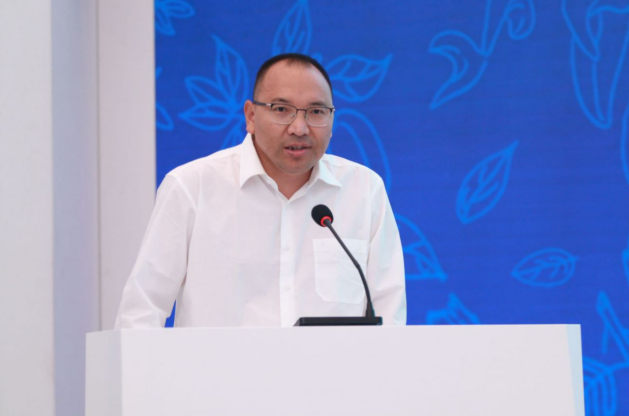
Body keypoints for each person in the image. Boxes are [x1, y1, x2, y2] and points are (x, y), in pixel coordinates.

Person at [115, 53, 406, 328]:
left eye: (316, 112)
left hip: (332, 368)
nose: (300, 128)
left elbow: (389, 316)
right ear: (251, 116)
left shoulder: (364, 191)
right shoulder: (192, 187)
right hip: (217, 368)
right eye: (281, 110)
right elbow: (141, 313)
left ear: (332, 120)